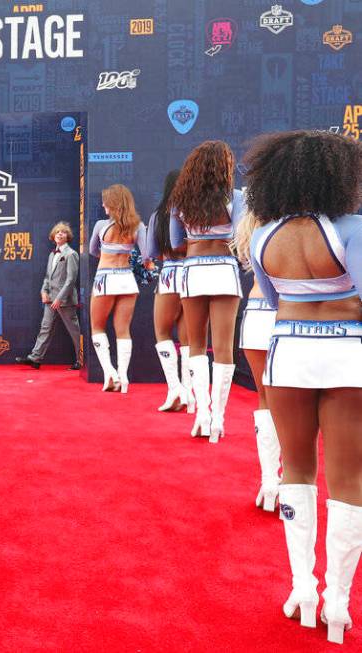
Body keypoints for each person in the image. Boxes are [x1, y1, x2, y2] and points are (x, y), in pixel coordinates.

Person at [245, 130, 362, 644]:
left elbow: (270, 301)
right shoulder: (353, 229)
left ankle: (303, 590)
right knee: (350, 478)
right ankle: (338, 601)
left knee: (296, 470)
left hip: (288, 352)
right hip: (347, 355)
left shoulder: (262, 236)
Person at [170, 141, 246, 441]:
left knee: (196, 344)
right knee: (224, 346)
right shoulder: (237, 198)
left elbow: (176, 242)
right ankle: (218, 418)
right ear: (224, 167)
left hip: (192, 272)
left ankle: (202, 412)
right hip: (225, 270)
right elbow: (242, 239)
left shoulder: (181, 201)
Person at [233, 211, 280, 512]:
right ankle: (288, 482)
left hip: (257, 310)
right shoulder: (306, 221)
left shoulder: (251, 221)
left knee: (265, 397)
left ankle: (269, 483)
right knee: (296, 402)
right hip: (292, 312)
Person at [88, 184, 147, 393]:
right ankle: (123, 376)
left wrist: (108, 253)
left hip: (105, 278)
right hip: (126, 280)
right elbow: (147, 255)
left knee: (97, 327)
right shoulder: (138, 226)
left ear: (113, 204)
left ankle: (109, 373)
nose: (103, 204)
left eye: (105, 201)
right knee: (123, 329)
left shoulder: (100, 225)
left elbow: (92, 250)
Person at [143, 170, 193, 412]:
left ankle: (175, 389)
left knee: (162, 332)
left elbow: (149, 254)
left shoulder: (158, 216)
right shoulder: (196, 213)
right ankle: (189, 393)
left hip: (171, 274)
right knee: (189, 339)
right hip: (195, 275)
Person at [16, 221, 81, 370]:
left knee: (74, 331)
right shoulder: (52, 254)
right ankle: (35, 358)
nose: (59, 233)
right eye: (57, 231)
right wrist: (43, 291)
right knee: (45, 327)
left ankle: (81, 360)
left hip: (65, 301)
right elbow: (47, 276)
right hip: (50, 298)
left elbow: (71, 279)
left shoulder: (71, 254)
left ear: (68, 236)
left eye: (63, 232)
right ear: (53, 235)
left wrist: (59, 298)